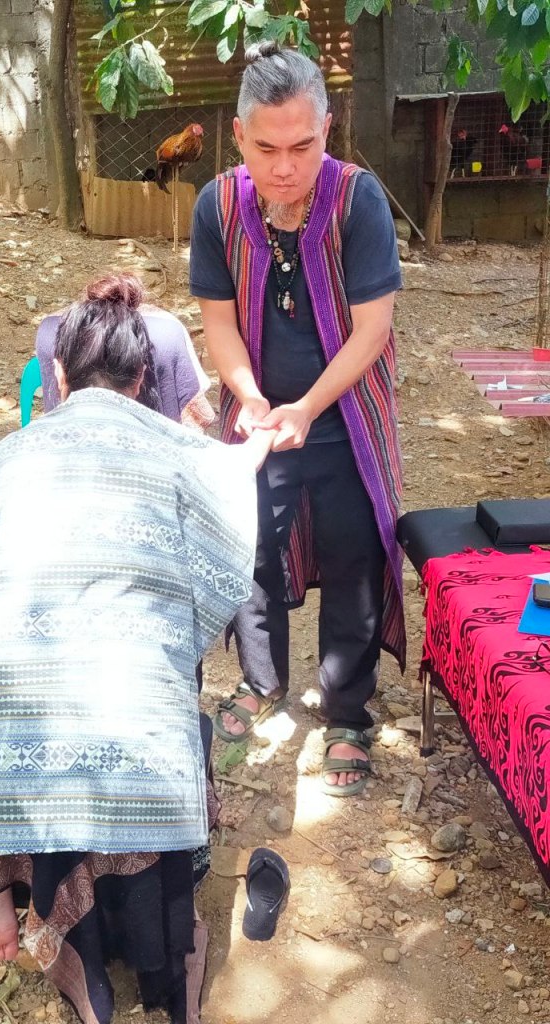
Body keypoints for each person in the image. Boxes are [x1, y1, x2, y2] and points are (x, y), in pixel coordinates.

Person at [0, 274, 273, 1024]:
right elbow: (226, 549)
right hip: (137, 744)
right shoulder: (179, 452)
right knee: (153, 699)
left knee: (2, 689)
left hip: (22, 747)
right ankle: (161, 953)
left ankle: (1, 895)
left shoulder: (10, 457)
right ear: (143, 376)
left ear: (57, 373)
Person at [189, 42, 405, 797]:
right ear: (239, 137)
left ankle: (347, 710)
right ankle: (262, 681)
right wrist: (249, 398)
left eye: (303, 147)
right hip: (256, 422)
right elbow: (218, 323)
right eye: (266, 149)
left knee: (354, 558)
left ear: (328, 129)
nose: (284, 168)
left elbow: (372, 329)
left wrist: (310, 406)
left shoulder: (358, 201)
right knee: (251, 546)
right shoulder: (218, 206)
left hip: (346, 417)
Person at [36, 292, 214, 430]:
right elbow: (198, 420)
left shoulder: (22, 451)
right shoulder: (167, 331)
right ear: (140, 378)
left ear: (59, 374)